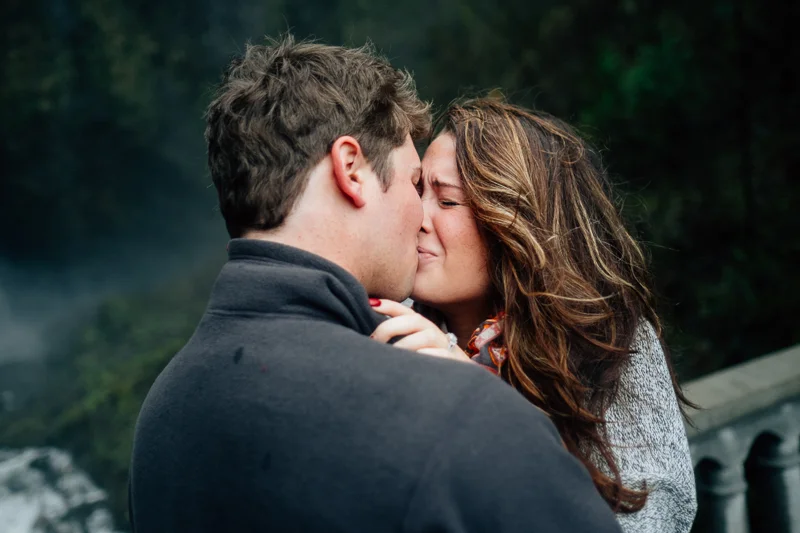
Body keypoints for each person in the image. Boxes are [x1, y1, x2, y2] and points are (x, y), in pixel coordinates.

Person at [127, 36, 623, 533]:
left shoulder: (162, 413)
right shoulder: (462, 415)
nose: (420, 215)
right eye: (413, 184)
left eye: (443, 198)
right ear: (351, 170)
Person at [371, 98, 697, 533]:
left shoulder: (604, 338)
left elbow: (660, 516)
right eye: (416, 193)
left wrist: (479, 404)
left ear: (518, 223)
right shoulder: (390, 329)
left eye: (447, 202)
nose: (418, 218)